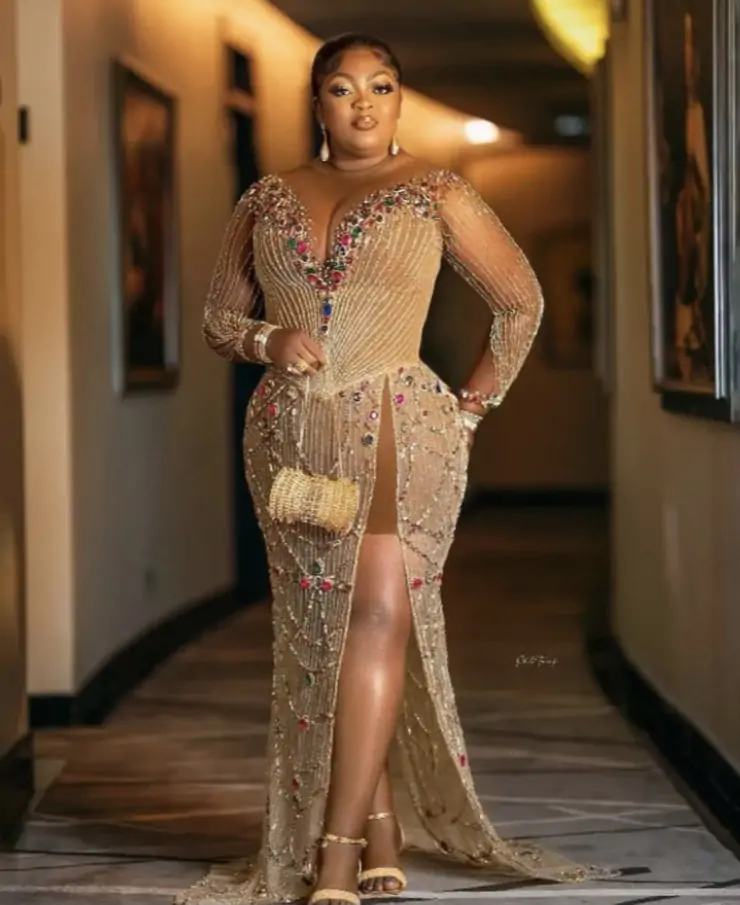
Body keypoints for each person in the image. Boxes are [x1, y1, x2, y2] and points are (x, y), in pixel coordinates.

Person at [176, 33, 615, 905]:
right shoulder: (266, 197)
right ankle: (380, 825)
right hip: (290, 437)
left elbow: (520, 302)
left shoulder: (435, 191)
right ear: (317, 102)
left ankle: (337, 850)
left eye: (381, 87)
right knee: (324, 631)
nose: (364, 104)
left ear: (400, 98)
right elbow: (220, 318)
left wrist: (470, 409)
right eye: (343, 89)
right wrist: (270, 338)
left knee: (377, 615)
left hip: (396, 427)